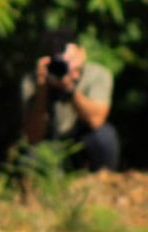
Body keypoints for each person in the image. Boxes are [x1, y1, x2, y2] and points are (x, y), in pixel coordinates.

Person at [20, 28, 120, 171]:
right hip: (51, 147)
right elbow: (33, 136)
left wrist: (70, 90)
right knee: (30, 158)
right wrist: (42, 91)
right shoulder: (33, 81)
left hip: (82, 145)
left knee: (103, 136)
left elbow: (96, 121)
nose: (68, 66)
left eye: (71, 59)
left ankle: (104, 178)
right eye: (61, 62)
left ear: (82, 53)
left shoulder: (98, 75)